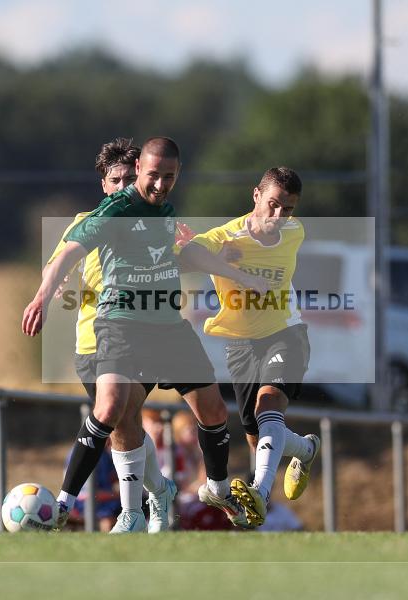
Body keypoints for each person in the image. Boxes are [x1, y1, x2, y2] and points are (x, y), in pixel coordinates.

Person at [23, 137, 266, 532]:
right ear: (130, 175)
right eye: (151, 176)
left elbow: (187, 253)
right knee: (116, 416)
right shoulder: (109, 213)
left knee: (211, 412)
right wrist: (43, 297)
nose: (158, 184)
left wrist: (234, 271)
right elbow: (65, 255)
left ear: (177, 176)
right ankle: (90, 507)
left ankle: (210, 490)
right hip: (113, 332)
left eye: (168, 177)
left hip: (167, 329)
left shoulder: (164, 213)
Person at [43, 138, 175, 534]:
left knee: (118, 411)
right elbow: (56, 264)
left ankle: (127, 513)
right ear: (104, 185)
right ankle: (160, 489)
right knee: (123, 421)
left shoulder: (152, 219)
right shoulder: (87, 221)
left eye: (126, 179)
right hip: (91, 344)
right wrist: (57, 283)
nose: (120, 188)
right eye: (113, 181)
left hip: (140, 339)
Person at [179, 167, 320, 528]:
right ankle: (304, 449)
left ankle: (258, 492)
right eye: (272, 204)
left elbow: (202, 254)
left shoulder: (294, 232)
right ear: (255, 195)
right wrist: (231, 268)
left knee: (267, 405)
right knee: (258, 437)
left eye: (286, 209)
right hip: (240, 345)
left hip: (285, 333)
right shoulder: (227, 235)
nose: (278, 217)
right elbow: (189, 256)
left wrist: (225, 263)